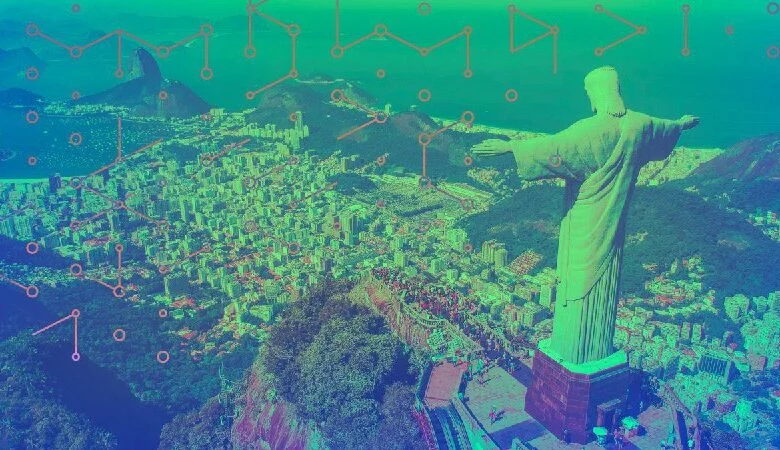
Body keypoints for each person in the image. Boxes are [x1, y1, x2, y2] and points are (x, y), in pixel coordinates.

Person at [471, 66, 699, 364]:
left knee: (575, 279)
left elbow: (553, 149)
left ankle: (574, 351)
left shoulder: (591, 130)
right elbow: (665, 128)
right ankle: (592, 349)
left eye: (589, 92)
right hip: (614, 222)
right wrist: (682, 124)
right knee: (602, 277)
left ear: (597, 94)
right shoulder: (640, 125)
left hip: (584, 220)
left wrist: (509, 147)